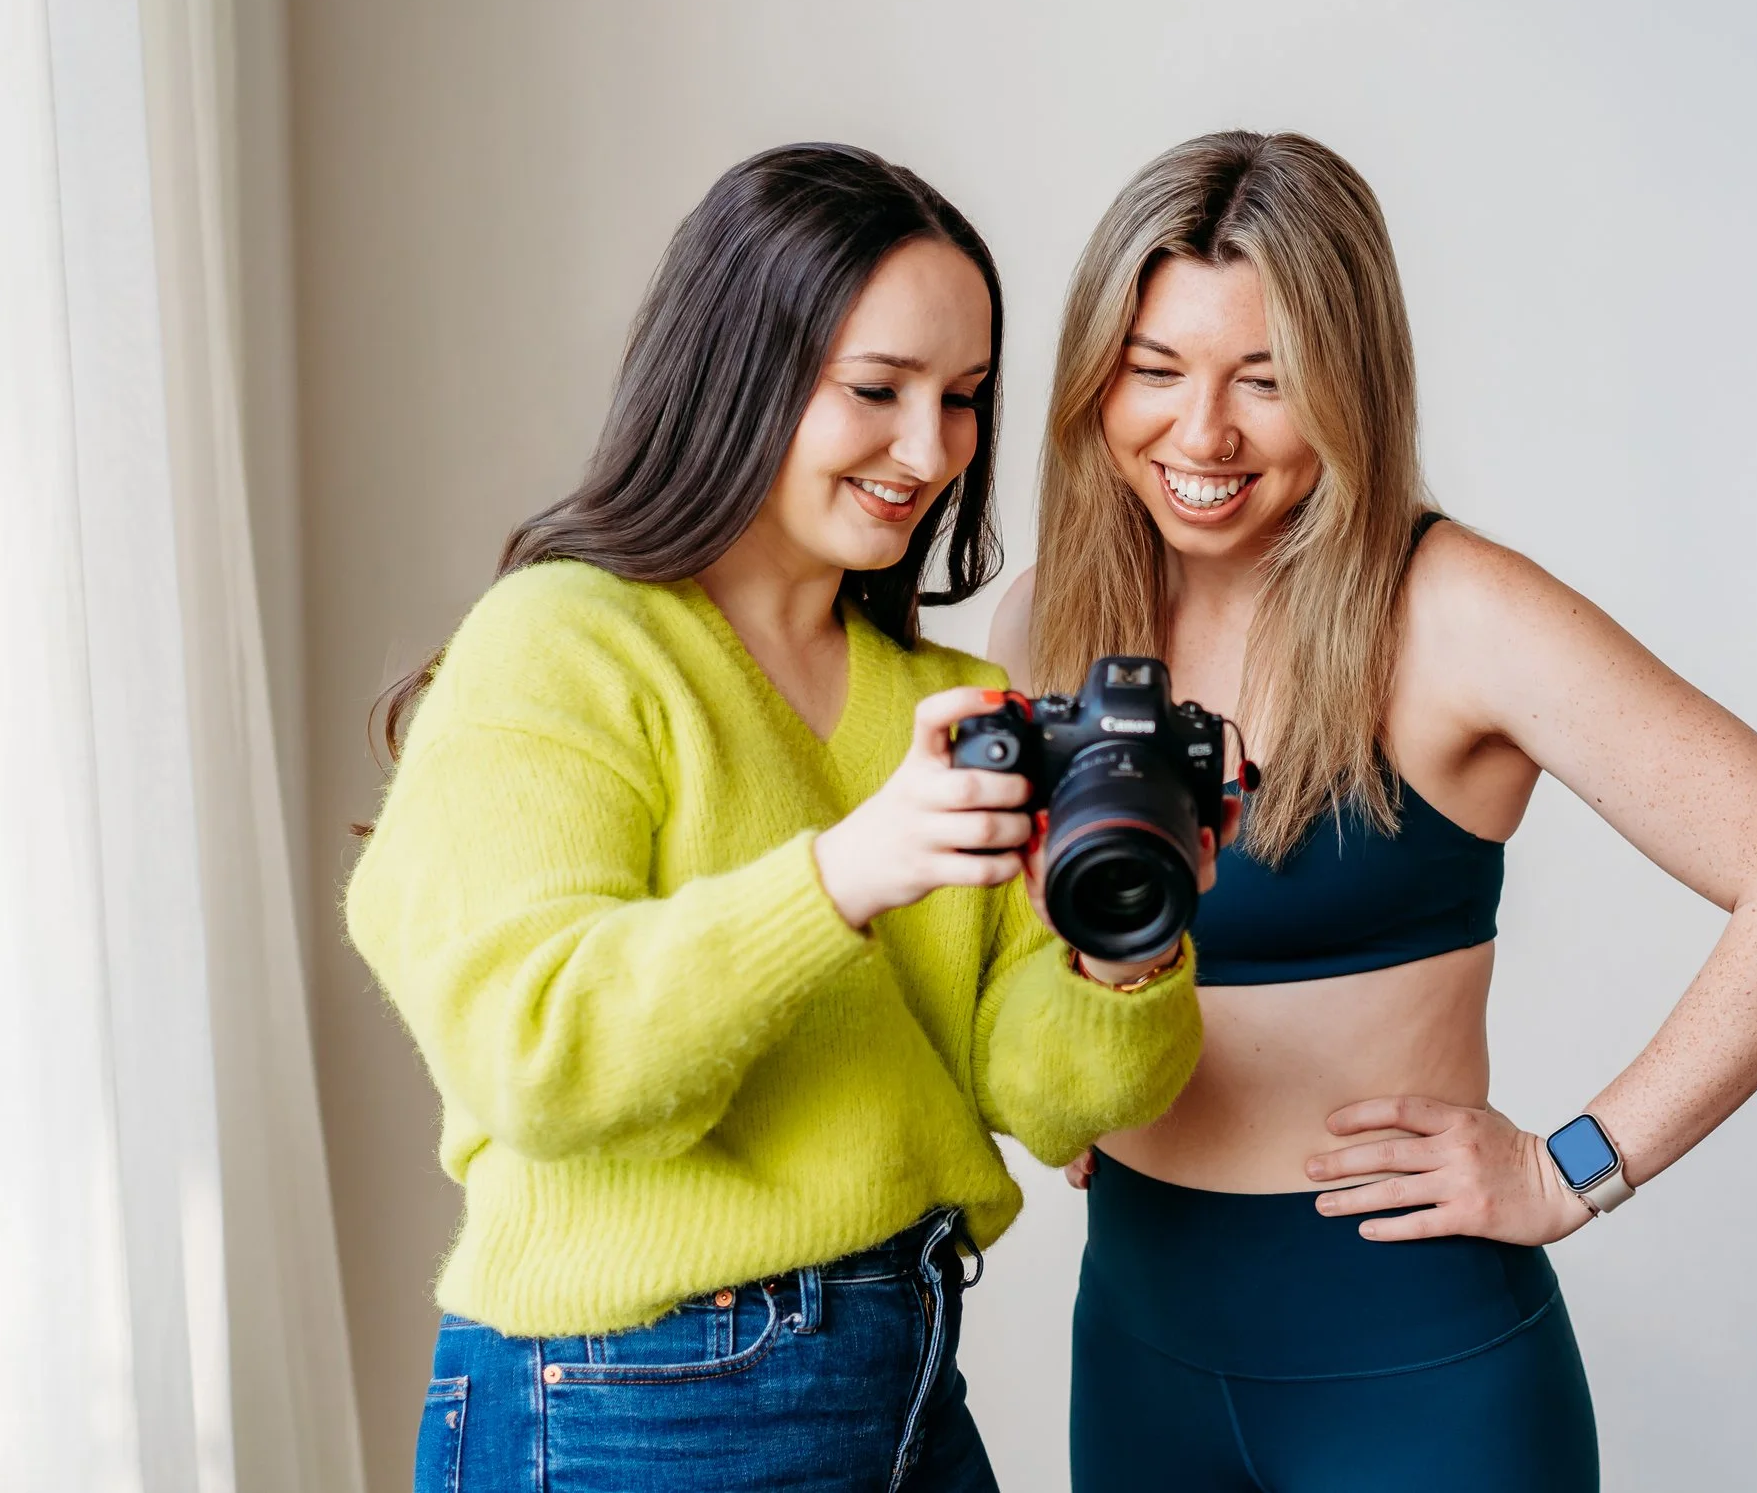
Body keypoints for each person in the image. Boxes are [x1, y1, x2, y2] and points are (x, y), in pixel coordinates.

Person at [990, 131, 1757, 1493]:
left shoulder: (1456, 611)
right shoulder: (1057, 623)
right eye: (1157, 368)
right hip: (1138, 1348)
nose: (1202, 434)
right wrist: (1067, 1075)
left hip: (1414, 1369)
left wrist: (1569, 1165)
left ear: (1349, 386)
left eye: (1267, 379)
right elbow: (1032, 963)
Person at [348, 144, 1224, 1493]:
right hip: (632, 1392)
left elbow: (1048, 1098)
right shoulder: (564, 643)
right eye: (876, 389)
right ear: (739, 369)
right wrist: (840, 875)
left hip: (908, 1370)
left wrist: (1122, 945)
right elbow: (537, 1051)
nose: (929, 450)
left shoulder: (952, 699)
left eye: (966, 399)